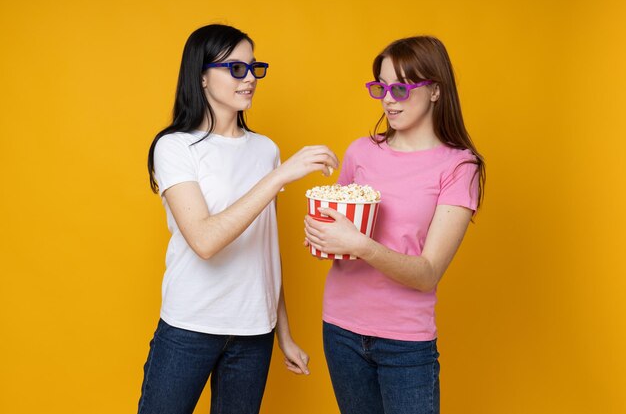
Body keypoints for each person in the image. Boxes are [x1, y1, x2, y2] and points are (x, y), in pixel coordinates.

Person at [139, 24, 338, 414]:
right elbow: (205, 241)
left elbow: (267, 249)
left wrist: (284, 334)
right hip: (189, 326)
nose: (249, 79)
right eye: (235, 68)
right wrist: (280, 176)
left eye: (253, 68)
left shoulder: (266, 150)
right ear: (201, 75)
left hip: (253, 333)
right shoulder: (175, 147)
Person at [304, 36, 486, 414]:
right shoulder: (360, 151)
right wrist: (321, 236)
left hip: (405, 342)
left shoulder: (459, 167)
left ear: (435, 91)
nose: (389, 98)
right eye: (381, 87)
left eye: (401, 88)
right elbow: (338, 233)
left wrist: (360, 245)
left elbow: (427, 273)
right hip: (340, 329)